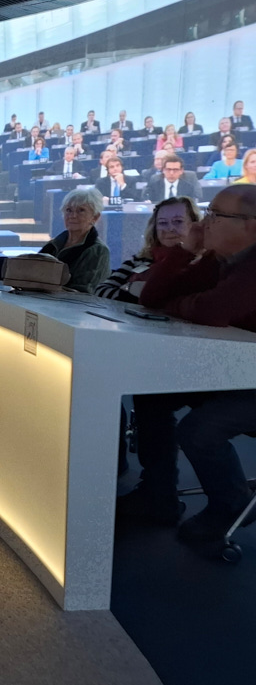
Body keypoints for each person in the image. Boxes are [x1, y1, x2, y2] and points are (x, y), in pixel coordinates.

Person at [120, 185, 256, 542]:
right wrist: (185, 251)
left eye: (216, 215)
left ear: (250, 225)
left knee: (200, 430)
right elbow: (153, 297)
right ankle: (158, 496)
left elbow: (211, 310)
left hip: (249, 382)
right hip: (236, 372)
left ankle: (230, 508)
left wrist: (180, 305)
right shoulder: (218, 259)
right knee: (153, 393)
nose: (204, 222)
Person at [95, 197, 200, 302]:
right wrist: (133, 290)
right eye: (163, 223)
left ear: (195, 225)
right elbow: (100, 291)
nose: (170, 228)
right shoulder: (139, 260)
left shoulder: (200, 264)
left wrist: (136, 290)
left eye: (178, 221)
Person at [38, 188, 110, 294]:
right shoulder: (53, 245)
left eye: (81, 210)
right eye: (68, 210)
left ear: (95, 217)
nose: (73, 216)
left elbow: (83, 291)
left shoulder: (98, 250)